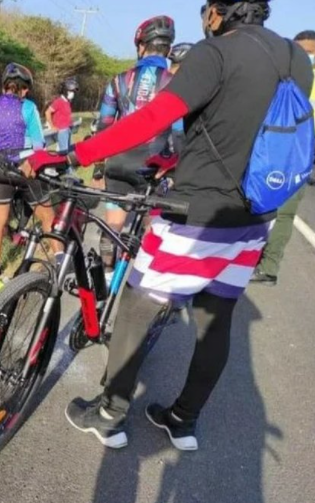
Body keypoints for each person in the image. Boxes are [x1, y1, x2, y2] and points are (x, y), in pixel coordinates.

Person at [23, 0, 313, 450]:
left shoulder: (215, 52)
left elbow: (151, 119)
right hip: (255, 220)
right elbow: (246, 130)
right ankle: (183, 420)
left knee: (139, 308)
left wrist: (70, 156)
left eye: (206, 10)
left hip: (195, 216)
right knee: (215, 323)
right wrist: (176, 159)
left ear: (219, 12)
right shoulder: (296, 59)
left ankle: (109, 413)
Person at [94, 16, 178, 271]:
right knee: (152, 233)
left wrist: (98, 168)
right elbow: (180, 133)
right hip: (155, 165)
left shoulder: (119, 80)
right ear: (169, 49)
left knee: (112, 228)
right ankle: (141, 285)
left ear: (141, 46)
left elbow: (104, 126)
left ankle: (105, 283)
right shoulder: (176, 84)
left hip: (119, 161)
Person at [0, 63, 61, 292]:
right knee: (47, 216)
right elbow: (39, 144)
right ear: (25, 89)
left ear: (4, 86)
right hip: (25, 168)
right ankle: (60, 262)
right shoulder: (28, 107)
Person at [251, 29, 315, 285]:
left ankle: (262, 264)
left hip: (280, 153)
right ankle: (268, 265)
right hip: (301, 156)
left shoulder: (286, 74)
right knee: (283, 213)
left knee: (263, 207)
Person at [46, 77, 79, 154]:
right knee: (64, 153)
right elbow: (47, 112)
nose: (72, 93)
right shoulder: (59, 101)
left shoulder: (67, 102)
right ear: (65, 91)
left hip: (68, 129)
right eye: (71, 91)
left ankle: (69, 166)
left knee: (70, 152)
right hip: (62, 131)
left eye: (73, 92)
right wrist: (52, 126)